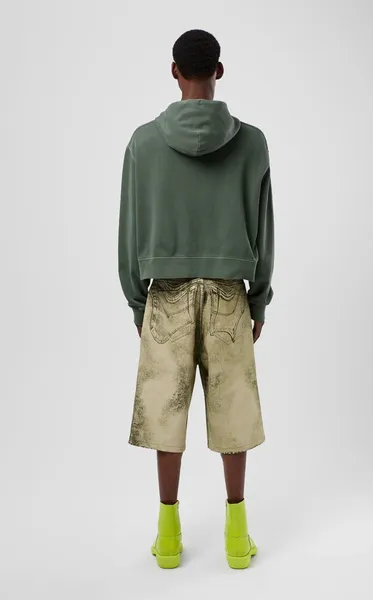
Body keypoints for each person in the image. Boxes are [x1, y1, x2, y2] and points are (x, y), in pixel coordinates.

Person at [118, 29, 274, 569]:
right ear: (219, 71)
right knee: (234, 415)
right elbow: (264, 228)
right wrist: (260, 299)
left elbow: (130, 230)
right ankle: (237, 536)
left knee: (167, 414)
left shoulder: (143, 143)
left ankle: (168, 537)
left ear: (174, 71)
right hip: (231, 292)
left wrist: (138, 303)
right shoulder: (252, 143)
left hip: (166, 294)